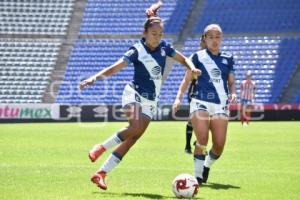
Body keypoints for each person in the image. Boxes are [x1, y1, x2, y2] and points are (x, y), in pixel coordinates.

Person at [79, 1, 201, 190]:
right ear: (144, 34)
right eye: (154, 34)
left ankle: (101, 173)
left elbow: (183, 59)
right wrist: (94, 78)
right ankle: (101, 147)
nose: (157, 38)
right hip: (134, 93)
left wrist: (192, 68)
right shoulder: (137, 50)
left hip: (151, 101)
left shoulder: (164, 47)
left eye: (160, 34)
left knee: (133, 137)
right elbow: (116, 67)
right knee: (134, 127)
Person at [173, 24, 237, 185]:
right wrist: (178, 97)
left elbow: (231, 82)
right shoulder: (197, 56)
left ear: (221, 39)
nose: (214, 40)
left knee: (219, 145)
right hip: (200, 101)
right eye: (211, 37)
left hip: (221, 104)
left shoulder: (228, 58)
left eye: (217, 37)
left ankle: (207, 165)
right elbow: (187, 79)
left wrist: (234, 92)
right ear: (205, 39)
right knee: (202, 139)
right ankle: (198, 177)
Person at [184, 35, 206, 154]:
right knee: (192, 119)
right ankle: (188, 145)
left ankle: (199, 143)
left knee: (208, 119)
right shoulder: (195, 56)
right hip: (195, 90)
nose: (202, 43)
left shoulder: (213, 56)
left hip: (208, 92)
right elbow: (189, 75)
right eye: (202, 41)